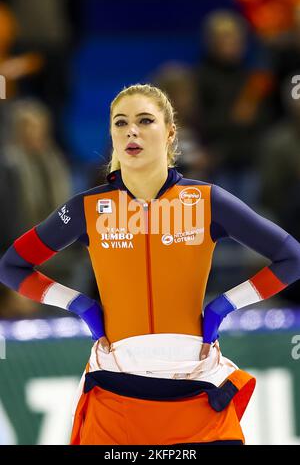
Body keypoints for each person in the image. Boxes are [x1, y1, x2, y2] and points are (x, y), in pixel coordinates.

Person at [1, 84, 300, 445]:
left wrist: (224, 306)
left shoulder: (206, 200)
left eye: (145, 121)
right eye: (120, 123)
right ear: (111, 134)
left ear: (170, 131)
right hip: (115, 398)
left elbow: (291, 258)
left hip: (197, 393)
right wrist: (80, 305)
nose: (132, 131)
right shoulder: (87, 208)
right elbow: (13, 265)